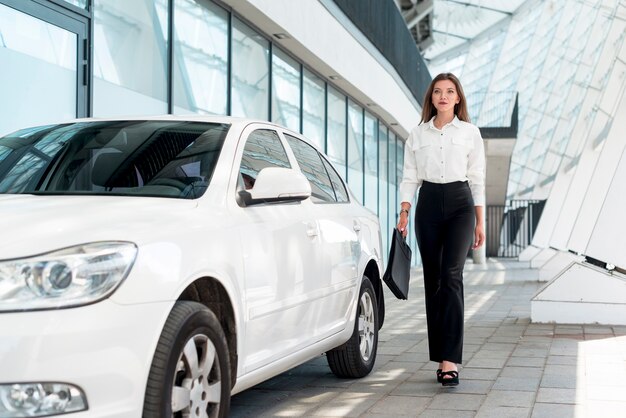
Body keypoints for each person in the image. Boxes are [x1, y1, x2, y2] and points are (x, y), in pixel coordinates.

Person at [397, 72, 485, 387]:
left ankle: (450, 360)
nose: (443, 96)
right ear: (431, 98)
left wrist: (480, 220)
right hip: (429, 205)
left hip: (461, 204)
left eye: (449, 91)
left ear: (458, 98)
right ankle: (440, 355)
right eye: (438, 92)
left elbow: (477, 178)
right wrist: (405, 210)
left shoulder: (470, 132)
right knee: (434, 279)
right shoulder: (417, 134)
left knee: (451, 275)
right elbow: (410, 176)